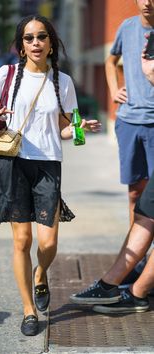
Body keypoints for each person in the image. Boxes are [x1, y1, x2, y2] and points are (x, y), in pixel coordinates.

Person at [0, 15, 101, 336]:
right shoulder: (6, 75)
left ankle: (40, 274)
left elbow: (65, 129)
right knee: (22, 240)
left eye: (41, 37)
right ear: (21, 45)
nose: (35, 43)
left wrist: (78, 127)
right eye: (29, 38)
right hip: (15, 163)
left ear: (50, 43)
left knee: (48, 243)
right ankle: (28, 310)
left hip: (48, 164)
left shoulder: (63, 82)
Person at [69, 38, 154, 314]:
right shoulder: (131, 30)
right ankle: (109, 284)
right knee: (144, 211)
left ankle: (138, 293)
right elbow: (110, 60)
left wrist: (150, 73)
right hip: (135, 120)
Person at [105, 0, 154, 226]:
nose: (148, 2)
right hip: (129, 122)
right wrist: (115, 91)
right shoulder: (127, 27)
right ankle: (137, 256)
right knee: (135, 193)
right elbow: (110, 60)